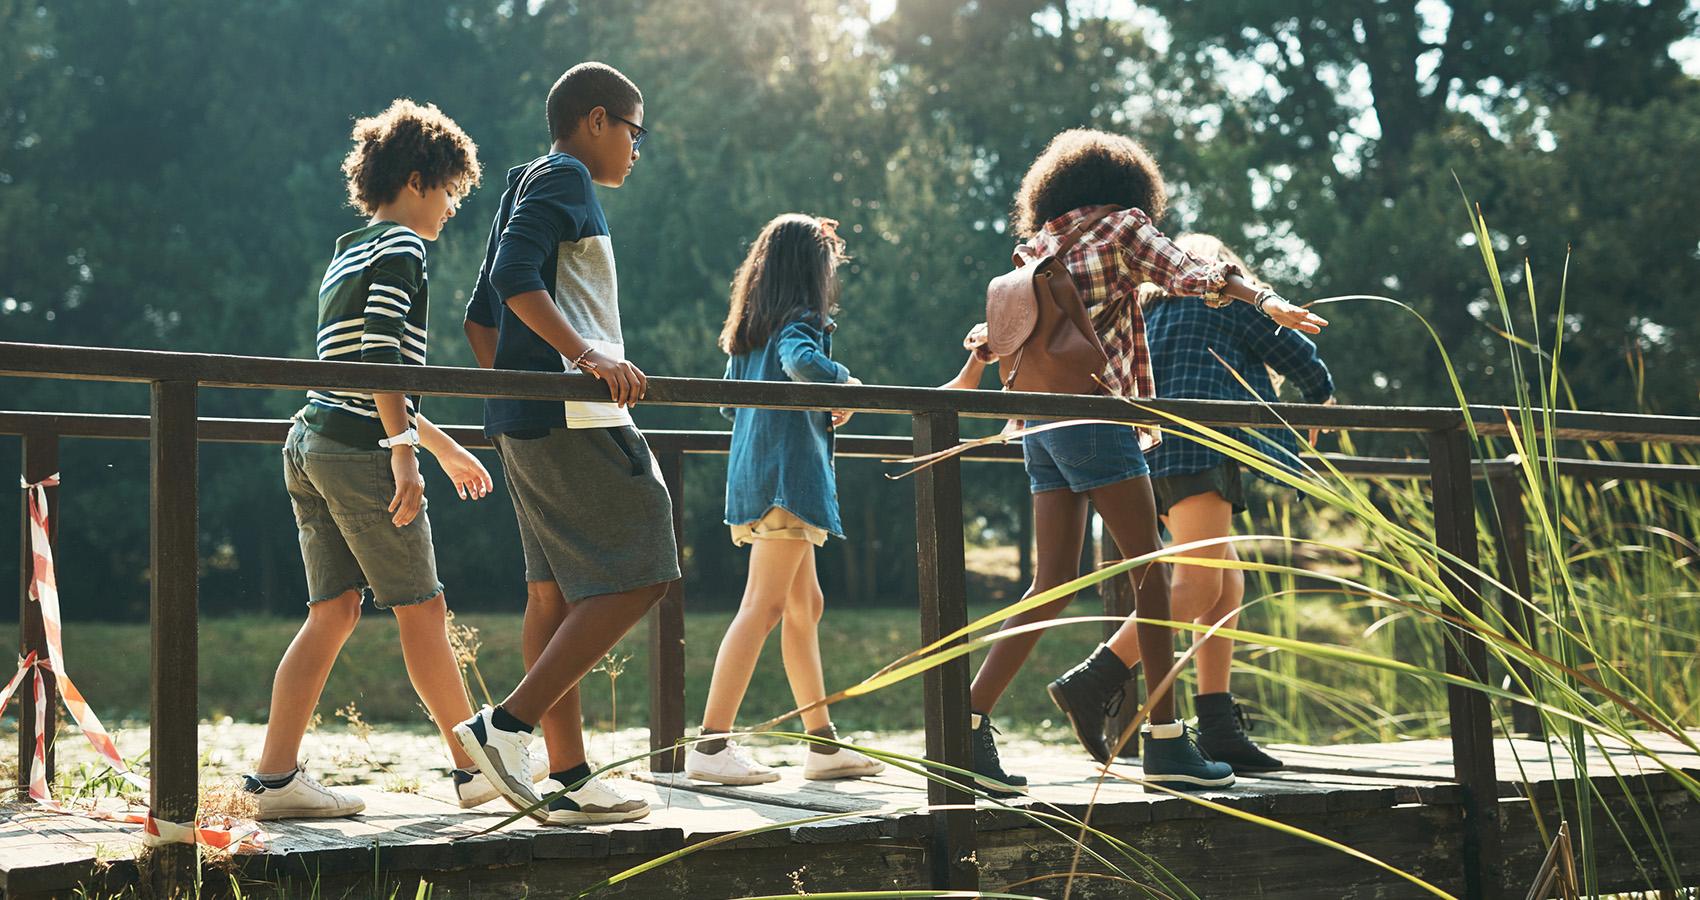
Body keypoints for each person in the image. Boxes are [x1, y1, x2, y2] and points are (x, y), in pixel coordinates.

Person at [944, 129, 1327, 793]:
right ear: (1130, 186)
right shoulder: (1124, 229)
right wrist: (1265, 300)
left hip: (1038, 426)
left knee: (1051, 580)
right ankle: (1167, 743)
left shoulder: (1036, 246)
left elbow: (1004, 337)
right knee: (1152, 574)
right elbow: (1197, 273)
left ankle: (965, 725)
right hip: (1097, 420)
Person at [245, 99, 502, 819]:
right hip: (359, 452)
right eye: (451, 192)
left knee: (331, 612)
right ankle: (473, 769)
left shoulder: (348, 248)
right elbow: (383, 354)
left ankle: (274, 782)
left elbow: (357, 373)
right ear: (419, 180)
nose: (452, 209)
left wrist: (439, 447)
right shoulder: (405, 249)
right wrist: (403, 455)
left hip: (312, 440)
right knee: (424, 609)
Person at [456, 61, 675, 826]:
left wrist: (516, 394)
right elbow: (516, 278)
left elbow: (479, 317)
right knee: (647, 561)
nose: (637, 149)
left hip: (528, 417)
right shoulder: (566, 179)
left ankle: (571, 775)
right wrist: (587, 359)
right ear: (595, 120)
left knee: (552, 592)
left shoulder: (524, 180)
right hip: (576, 415)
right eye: (634, 130)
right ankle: (507, 726)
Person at [683, 214, 886, 785]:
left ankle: (822, 745)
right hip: (787, 481)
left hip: (757, 476)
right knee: (764, 607)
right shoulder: (800, 322)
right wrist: (845, 385)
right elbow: (801, 363)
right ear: (809, 273)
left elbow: (730, 401)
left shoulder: (750, 329)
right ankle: (712, 744)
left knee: (805, 607)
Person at [1127, 232, 1334, 773]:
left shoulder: (1149, 311)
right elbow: (1292, 350)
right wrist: (1322, 395)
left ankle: (1217, 725)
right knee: (1197, 585)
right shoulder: (1226, 300)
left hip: (1150, 459)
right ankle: (1097, 675)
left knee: (1226, 583)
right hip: (1201, 449)